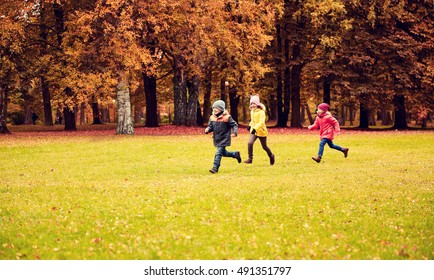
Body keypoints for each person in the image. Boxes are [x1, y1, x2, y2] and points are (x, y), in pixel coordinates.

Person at [205, 100, 241, 173]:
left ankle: (215, 168)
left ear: (221, 109)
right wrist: (208, 129)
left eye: (216, 108)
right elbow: (210, 126)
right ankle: (235, 154)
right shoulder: (212, 117)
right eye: (213, 108)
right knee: (222, 152)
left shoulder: (227, 117)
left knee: (218, 153)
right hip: (217, 138)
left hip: (224, 138)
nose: (214, 109)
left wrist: (234, 132)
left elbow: (234, 125)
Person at [244, 94, 275, 165]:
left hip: (261, 131)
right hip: (254, 131)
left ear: (257, 104)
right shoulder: (252, 111)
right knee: (250, 143)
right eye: (251, 104)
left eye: (254, 103)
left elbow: (261, 122)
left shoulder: (261, 112)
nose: (252, 105)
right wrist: (250, 126)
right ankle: (250, 158)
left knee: (264, 146)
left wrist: (255, 128)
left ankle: (271, 155)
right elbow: (253, 121)